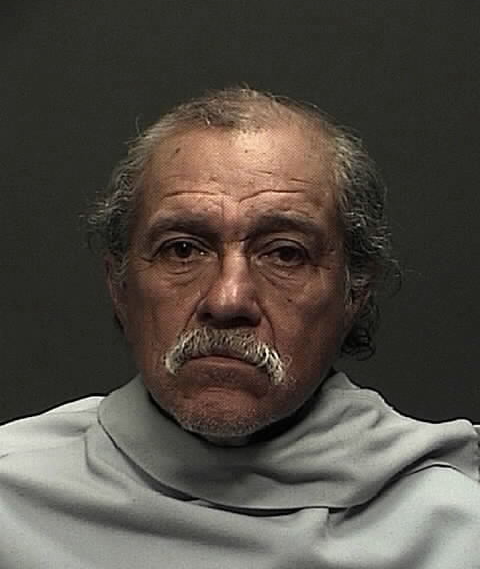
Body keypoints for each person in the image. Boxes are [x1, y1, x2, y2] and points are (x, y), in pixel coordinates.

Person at [1, 87, 479, 568]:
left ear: (354, 292)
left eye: (285, 253)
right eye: (183, 250)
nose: (228, 300)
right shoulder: (12, 499)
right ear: (120, 285)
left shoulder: (457, 528)